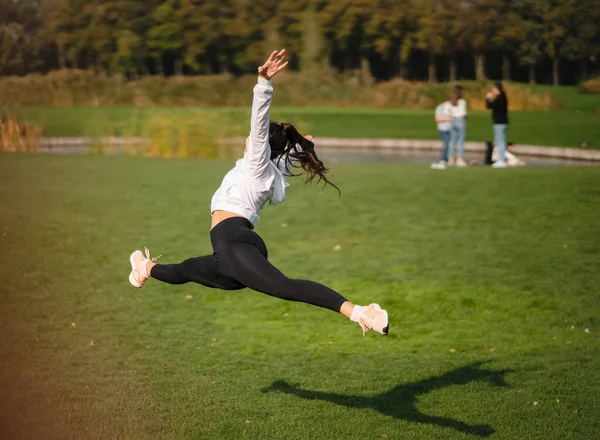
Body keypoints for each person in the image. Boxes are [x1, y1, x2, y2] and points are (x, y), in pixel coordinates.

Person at [127, 49, 389, 336]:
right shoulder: (266, 171)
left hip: (233, 241)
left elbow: (259, 122)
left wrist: (263, 84)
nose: (250, 141)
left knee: (284, 287)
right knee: (186, 270)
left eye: (256, 142)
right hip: (235, 246)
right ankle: (145, 267)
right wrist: (300, 147)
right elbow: (281, 158)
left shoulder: (257, 165)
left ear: (262, 148)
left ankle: (362, 312)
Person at [485, 82, 509, 168]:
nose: (492, 91)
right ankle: (498, 159)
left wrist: (488, 99)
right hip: (499, 123)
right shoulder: (501, 97)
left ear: (496, 89)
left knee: (500, 142)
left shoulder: (501, 97)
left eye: (493, 89)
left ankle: (501, 160)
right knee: (498, 142)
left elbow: (491, 106)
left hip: (500, 123)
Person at [447, 86, 468, 167]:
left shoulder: (450, 102)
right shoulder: (462, 101)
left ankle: (450, 159)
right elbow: (463, 113)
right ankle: (459, 159)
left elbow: (449, 112)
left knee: (452, 141)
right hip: (460, 121)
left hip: (452, 121)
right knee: (460, 141)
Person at [430, 97, 453, 170]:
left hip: (451, 129)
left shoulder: (452, 107)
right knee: (447, 143)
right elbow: (437, 118)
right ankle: (443, 159)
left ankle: (449, 159)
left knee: (450, 144)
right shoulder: (440, 107)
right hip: (443, 129)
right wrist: (448, 119)